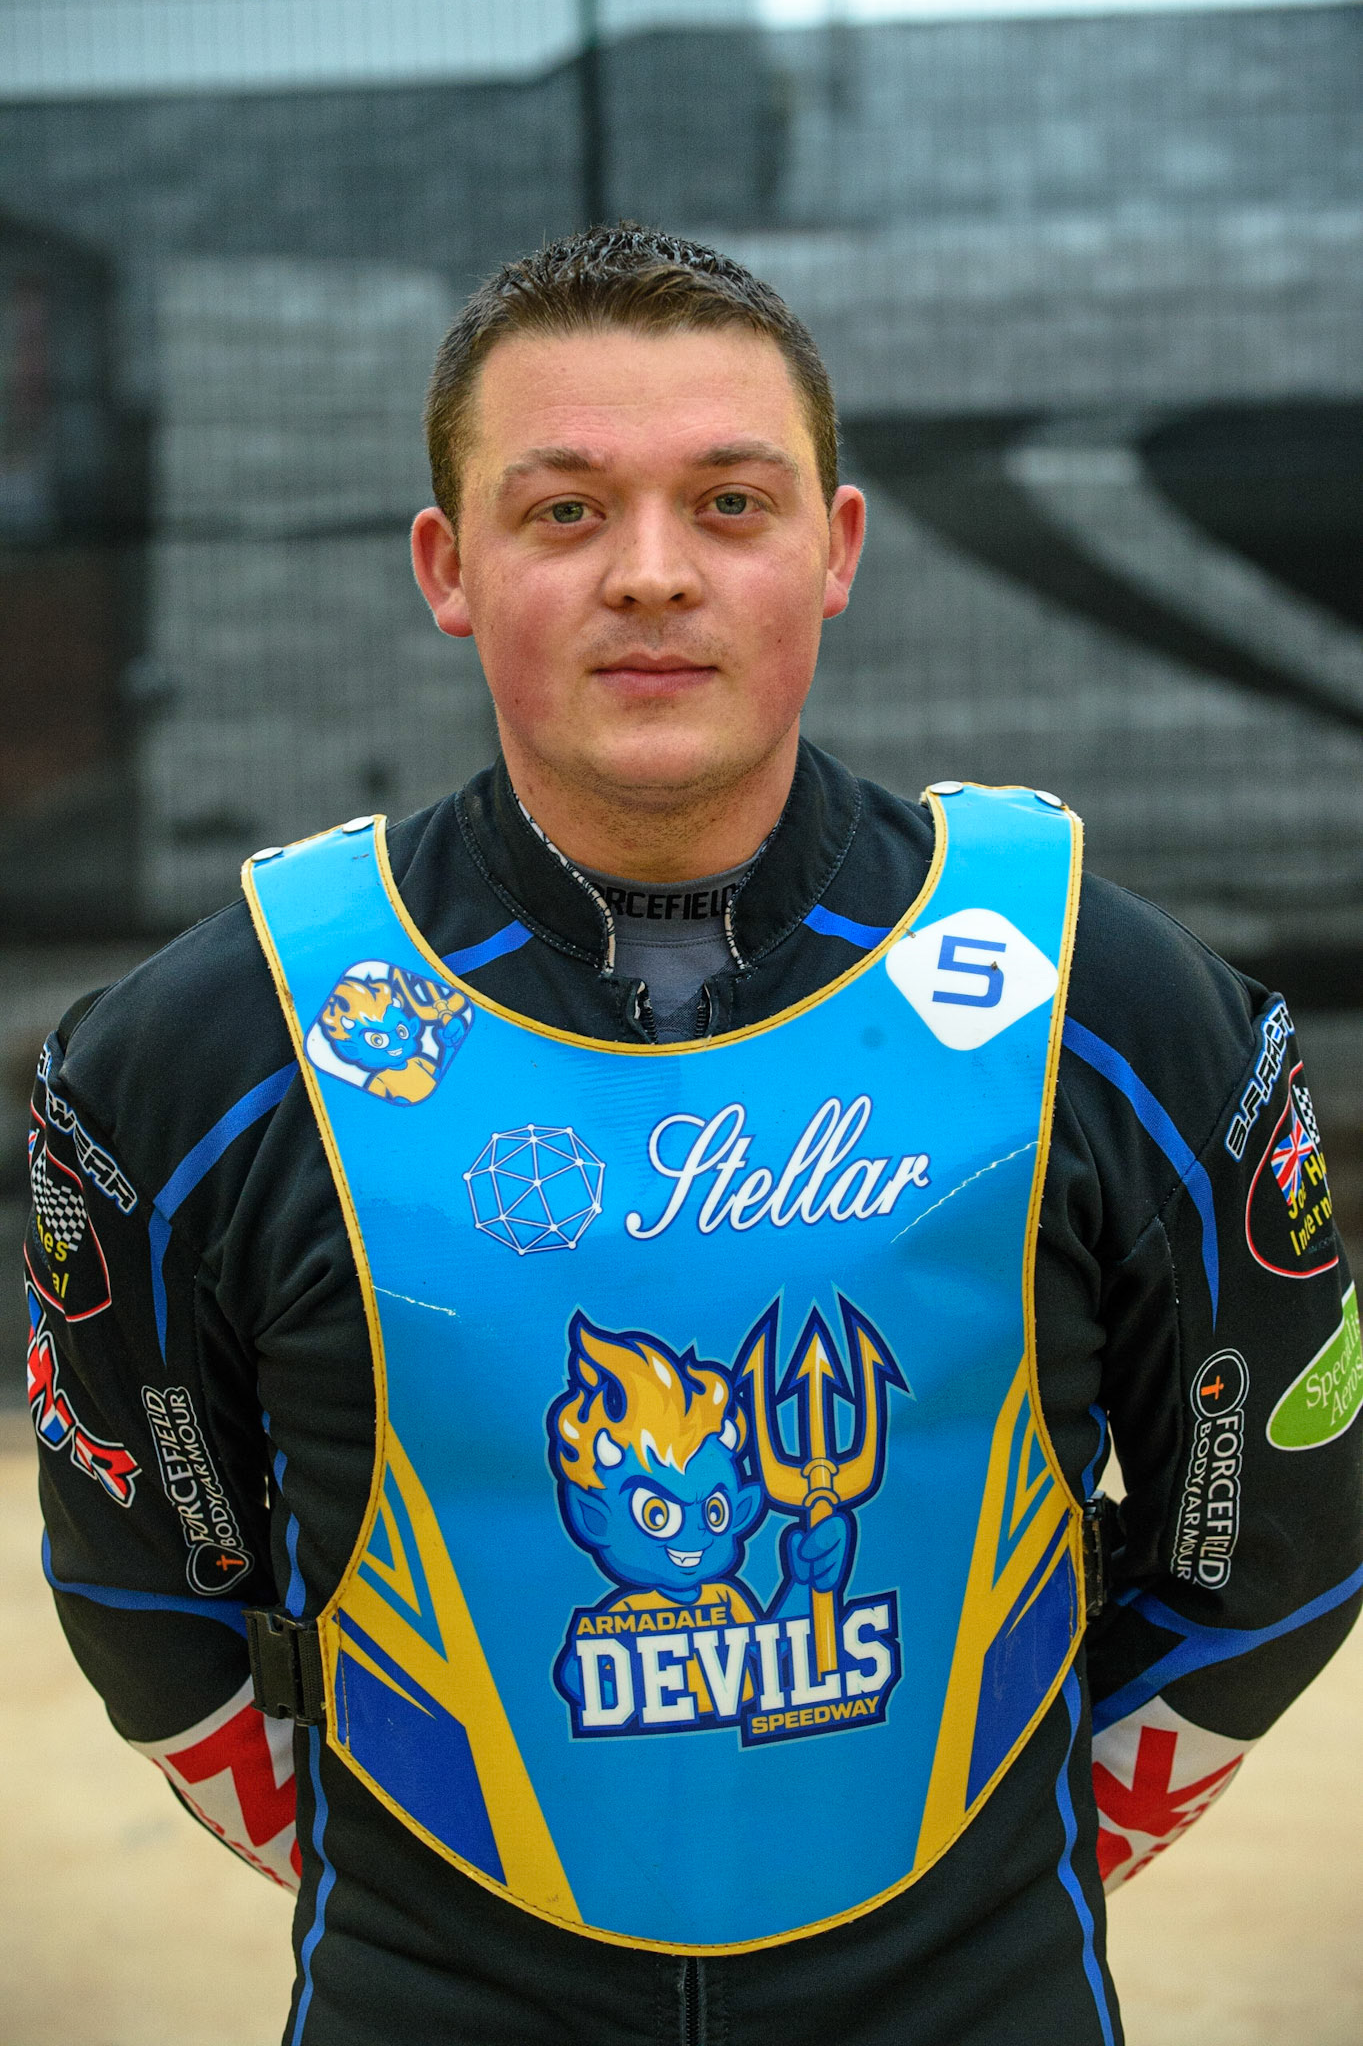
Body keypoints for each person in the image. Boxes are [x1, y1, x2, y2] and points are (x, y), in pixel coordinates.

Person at [24, 224, 1362, 2046]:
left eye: (731, 504)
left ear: (838, 549)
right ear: (447, 565)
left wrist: (978, 1851)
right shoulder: (198, 1052)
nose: (651, 577)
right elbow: (141, 1584)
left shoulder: (1105, 1000)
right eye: (563, 512)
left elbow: (1283, 1523)